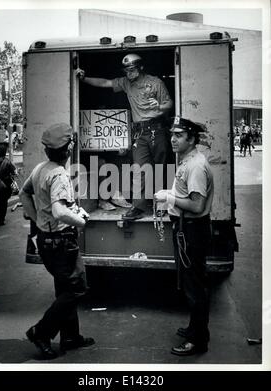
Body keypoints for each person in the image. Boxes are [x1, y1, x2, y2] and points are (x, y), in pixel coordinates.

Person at [19, 123, 95, 359]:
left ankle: (70, 337)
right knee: (76, 288)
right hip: (61, 241)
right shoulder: (59, 174)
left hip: (46, 239)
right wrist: (81, 222)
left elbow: (24, 193)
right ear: (69, 147)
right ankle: (41, 332)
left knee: (65, 287)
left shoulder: (41, 168)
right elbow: (60, 212)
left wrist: (37, 218)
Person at [77, 53, 173, 220]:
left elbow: (169, 104)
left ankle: (161, 205)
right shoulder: (126, 83)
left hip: (157, 129)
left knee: (159, 168)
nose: (128, 73)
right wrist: (84, 79)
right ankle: (139, 207)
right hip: (140, 132)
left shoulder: (156, 82)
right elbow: (105, 83)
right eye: (126, 70)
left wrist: (160, 106)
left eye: (132, 69)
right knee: (140, 170)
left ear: (141, 67)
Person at [154, 117, 214, 356]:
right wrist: (171, 194)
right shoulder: (188, 160)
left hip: (191, 229)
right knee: (193, 282)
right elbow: (186, 193)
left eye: (179, 135)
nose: (173, 139)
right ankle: (195, 329)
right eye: (172, 135)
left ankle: (197, 341)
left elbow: (197, 205)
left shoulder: (196, 166)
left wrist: (169, 199)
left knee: (194, 287)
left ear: (191, 138)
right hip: (185, 228)